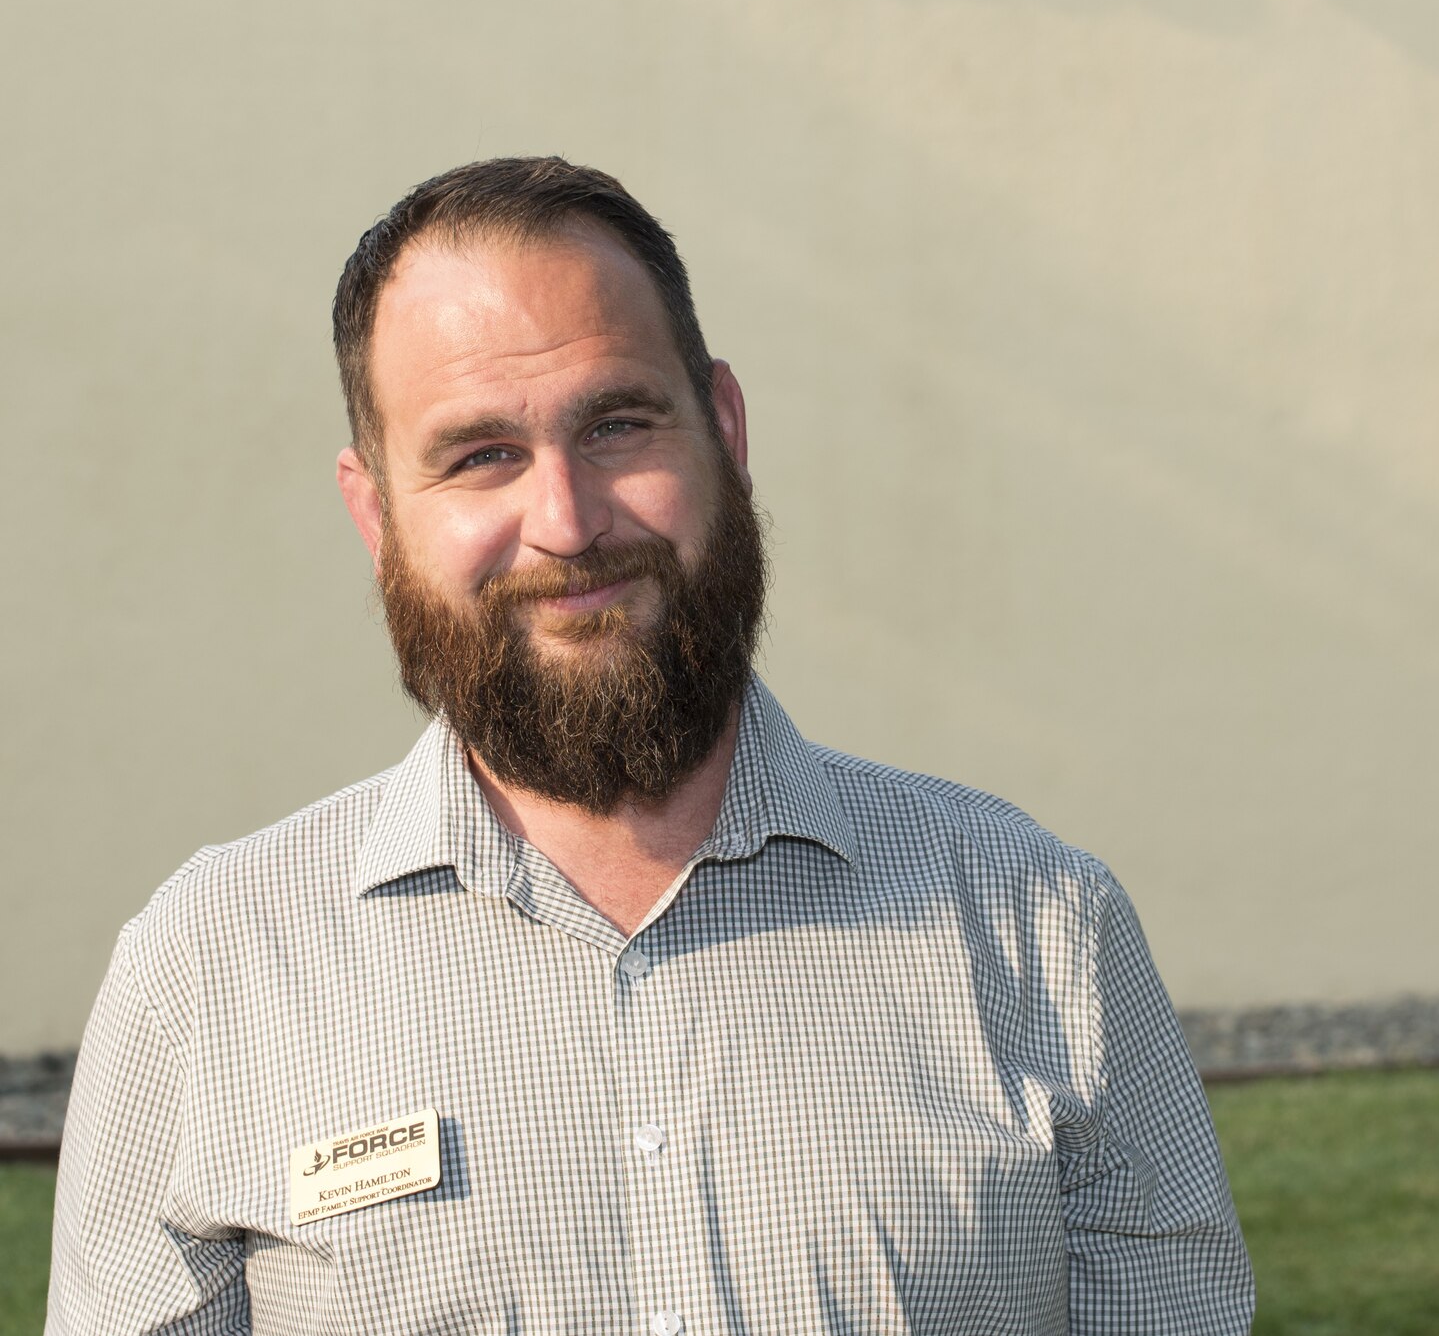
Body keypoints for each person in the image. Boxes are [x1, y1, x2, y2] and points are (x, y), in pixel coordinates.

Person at [48, 156, 1254, 1335]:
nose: (567, 522)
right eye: (480, 455)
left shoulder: (1042, 926)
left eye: (617, 423)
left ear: (722, 426)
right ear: (376, 512)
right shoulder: (204, 972)